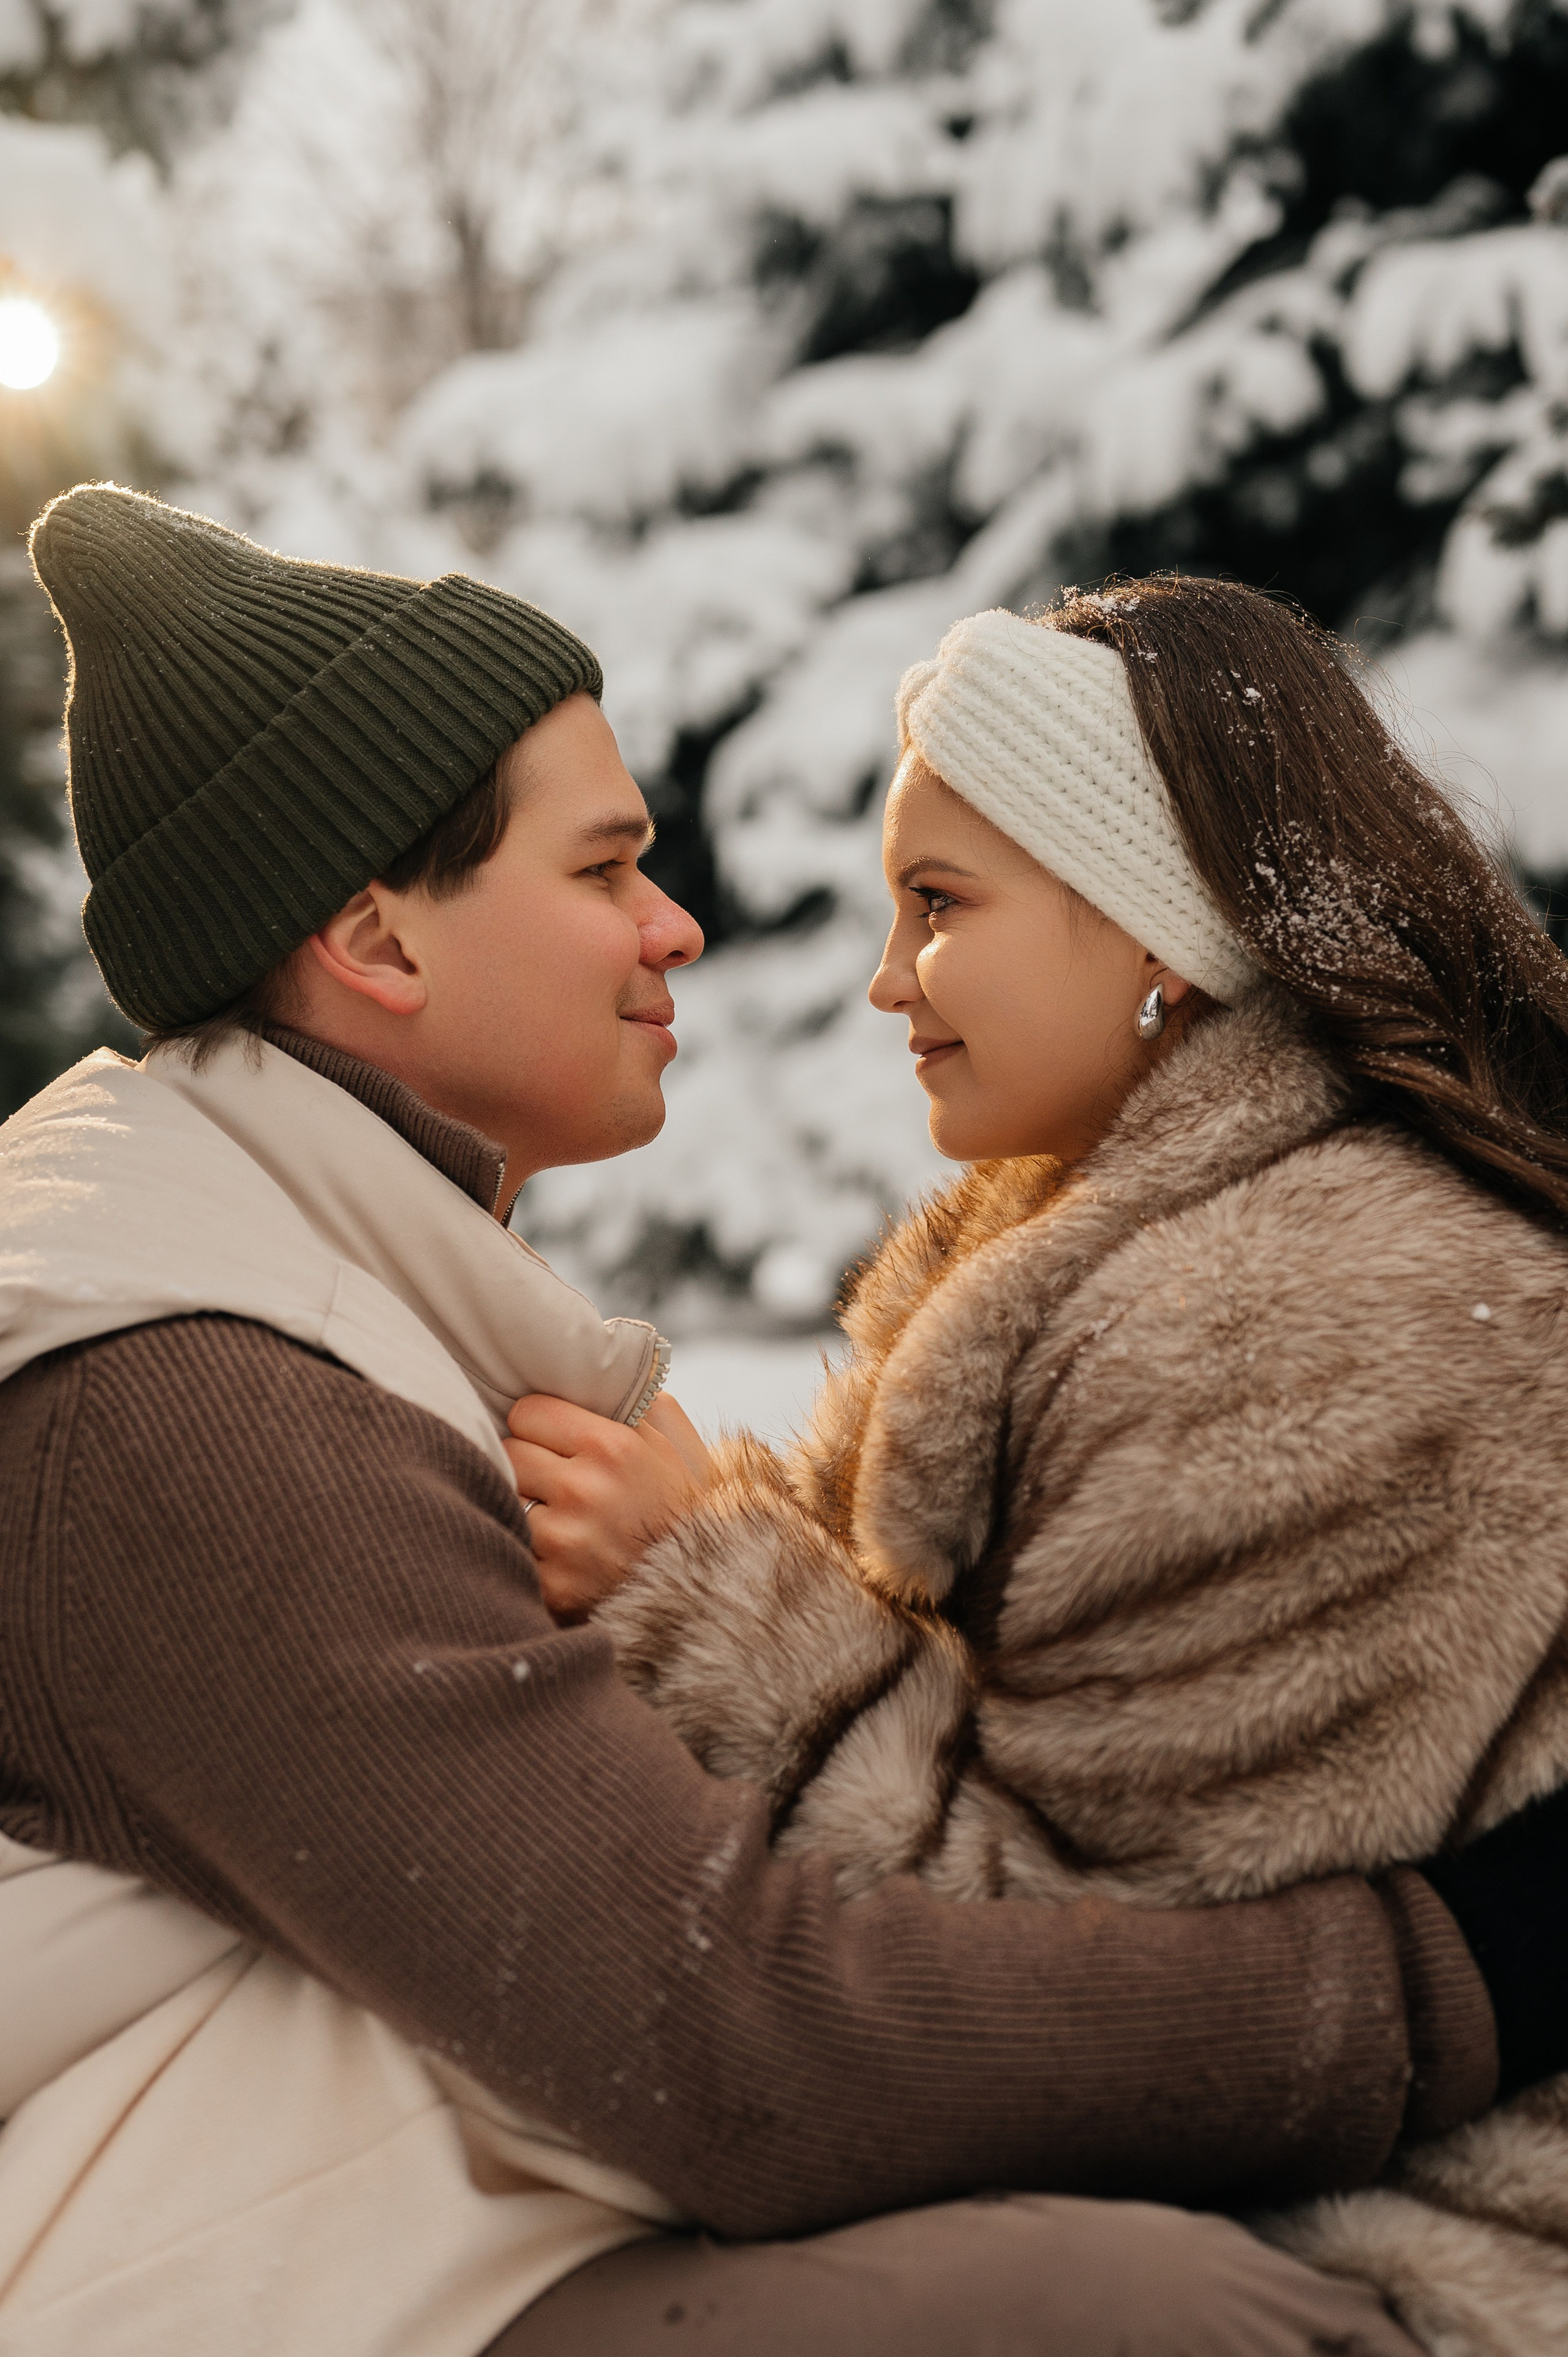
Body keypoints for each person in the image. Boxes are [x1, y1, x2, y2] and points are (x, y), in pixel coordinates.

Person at [0, 486, 1557, 2357]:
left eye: (938, 906)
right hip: (253, 2279)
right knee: (1164, 2319)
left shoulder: (319, 1289)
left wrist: (727, 1599)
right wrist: (1466, 1963)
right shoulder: (194, 1397)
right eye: (602, 872)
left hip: (403, 2225)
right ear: (378, 947)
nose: (682, 929)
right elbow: (745, 2043)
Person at [518, 579, 1568, 2355]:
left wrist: (706, 1595)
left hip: (1396, 2268)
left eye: (939, 907)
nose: (884, 980)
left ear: (1163, 932)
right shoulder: (1113, 1252)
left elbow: (1100, 2002)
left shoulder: (1284, 1319)